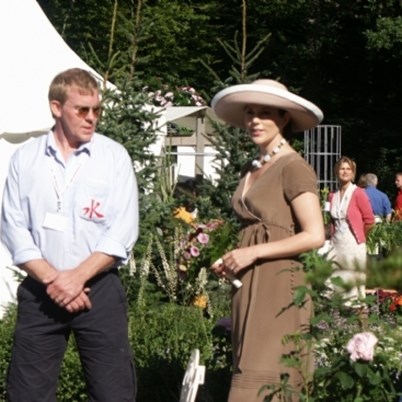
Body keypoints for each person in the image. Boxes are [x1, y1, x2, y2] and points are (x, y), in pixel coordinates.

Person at [0, 68, 138, 401]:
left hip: (98, 289)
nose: (92, 118)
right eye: (82, 109)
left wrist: (77, 278)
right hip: (40, 291)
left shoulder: (113, 157)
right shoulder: (26, 158)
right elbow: (13, 226)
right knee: (27, 392)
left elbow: (123, 229)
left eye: (97, 110)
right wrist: (54, 280)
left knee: (113, 392)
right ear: (56, 107)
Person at [210, 79, 325, 402]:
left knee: (269, 379)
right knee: (248, 368)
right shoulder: (252, 167)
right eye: (250, 113)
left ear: (284, 118)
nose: (255, 120)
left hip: (280, 286)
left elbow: (314, 234)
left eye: (265, 113)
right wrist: (232, 257)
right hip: (249, 285)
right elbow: (255, 227)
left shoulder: (293, 167)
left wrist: (253, 253)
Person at [327, 157, 375, 304]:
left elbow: (370, 221)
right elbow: (332, 221)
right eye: (342, 168)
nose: (345, 171)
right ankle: (337, 322)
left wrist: (360, 238)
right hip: (336, 246)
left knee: (354, 289)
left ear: (353, 173)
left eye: (348, 169)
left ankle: (361, 322)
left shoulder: (358, 193)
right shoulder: (332, 195)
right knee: (335, 284)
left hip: (353, 246)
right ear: (336, 171)